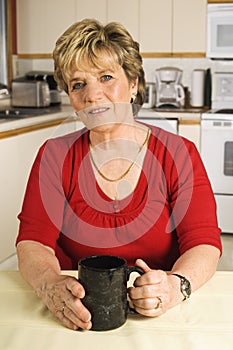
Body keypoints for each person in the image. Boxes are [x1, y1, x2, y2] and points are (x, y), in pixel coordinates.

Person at [16, 18, 222, 331]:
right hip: (78, 314)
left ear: (134, 83)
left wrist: (176, 287)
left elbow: (204, 243)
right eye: (78, 84)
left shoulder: (179, 153)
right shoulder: (54, 155)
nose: (93, 96)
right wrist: (50, 286)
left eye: (106, 77)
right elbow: (33, 242)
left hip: (161, 314)